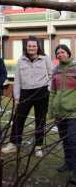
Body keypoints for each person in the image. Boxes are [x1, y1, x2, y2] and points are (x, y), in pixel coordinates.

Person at [2, 36, 52, 157]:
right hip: (25, 93)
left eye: (34, 46)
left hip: (42, 92)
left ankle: (38, 146)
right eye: (29, 46)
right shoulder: (21, 60)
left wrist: (48, 89)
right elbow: (17, 79)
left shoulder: (45, 59)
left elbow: (51, 74)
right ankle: (14, 144)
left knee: (40, 120)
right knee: (18, 118)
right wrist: (17, 97)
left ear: (38, 47)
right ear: (26, 47)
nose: (32, 48)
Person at [49, 44, 76, 184]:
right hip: (59, 113)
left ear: (68, 53)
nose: (60, 54)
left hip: (73, 113)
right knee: (65, 141)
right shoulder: (56, 70)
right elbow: (53, 92)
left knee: (73, 141)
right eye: (58, 53)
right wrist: (51, 111)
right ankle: (68, 163)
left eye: (63, 52)